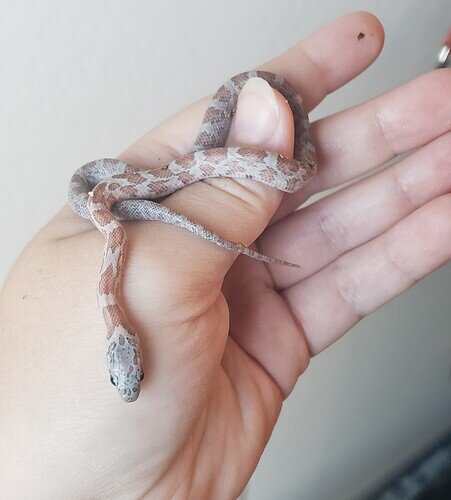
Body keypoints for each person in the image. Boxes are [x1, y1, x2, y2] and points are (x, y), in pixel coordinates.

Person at [1, 11, 450, 499]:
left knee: (291, 167)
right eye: (126, 377)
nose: (131, 386)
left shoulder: (114, 241)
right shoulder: (112, 249)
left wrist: (241, 167)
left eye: (124, 375)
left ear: (121, 344)